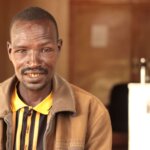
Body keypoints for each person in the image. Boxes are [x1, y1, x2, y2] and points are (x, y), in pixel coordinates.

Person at [0, 7, 112, 150]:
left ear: (58, 48)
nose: (34, 62)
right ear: (10, 52)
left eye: (45, 49)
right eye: (22, 51)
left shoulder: (92, 112)